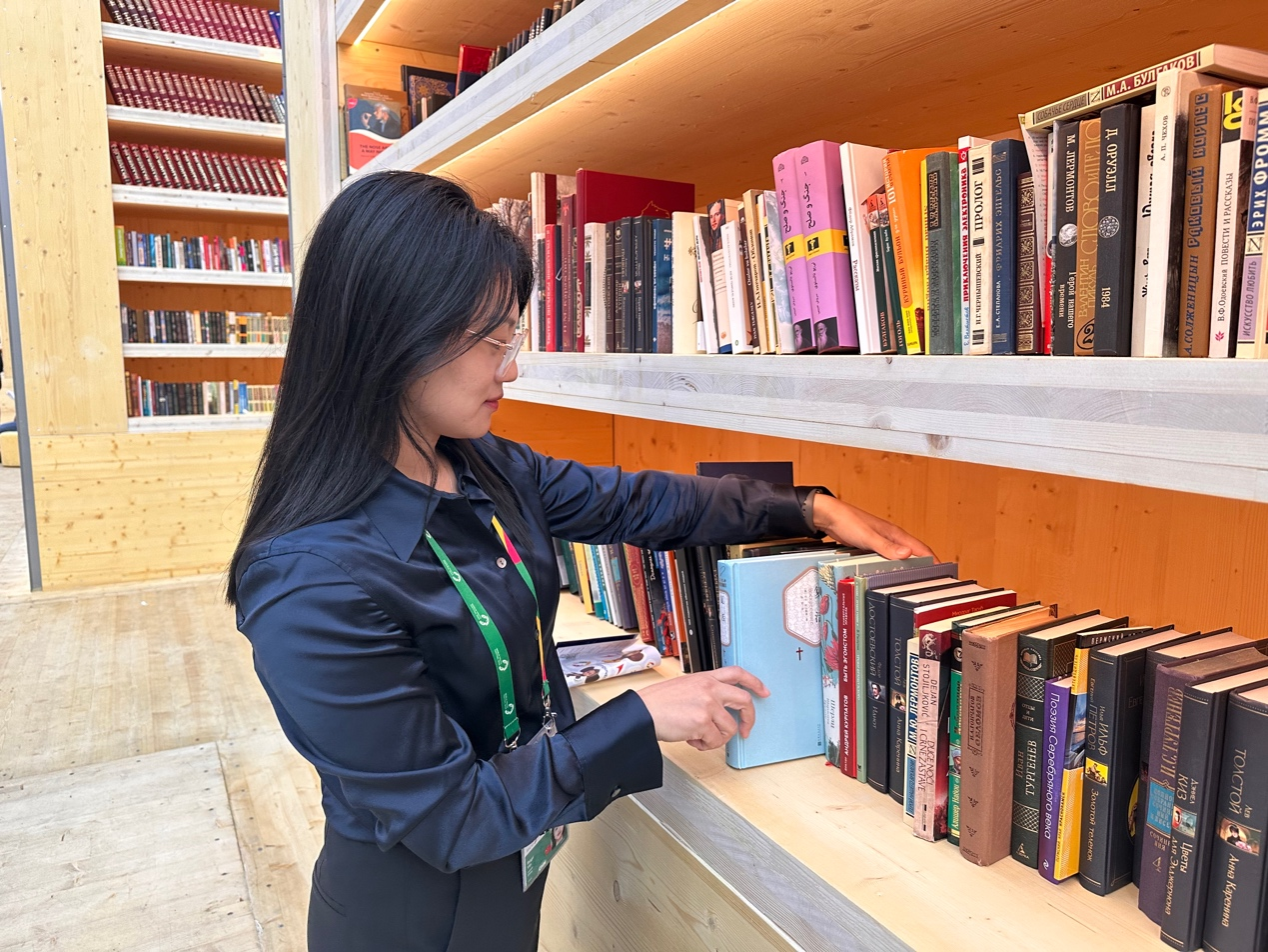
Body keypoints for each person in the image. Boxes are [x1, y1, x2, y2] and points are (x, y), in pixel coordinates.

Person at [227, 171, 932, 952]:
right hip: (410, 917)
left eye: (513, 335)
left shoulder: (479, 464)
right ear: (396, 333)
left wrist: (809, 508)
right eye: (493, 340)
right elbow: (452, 816)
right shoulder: (307, 580)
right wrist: (642, 717)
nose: (511, 367)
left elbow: (638, 503)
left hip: (515, 876)